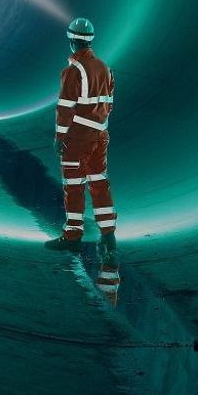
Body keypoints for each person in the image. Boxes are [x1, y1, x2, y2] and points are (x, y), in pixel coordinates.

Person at [45, 16, 117, 253]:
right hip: (100, 136)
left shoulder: (73, 71)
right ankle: (108, 235)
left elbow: (65, 109)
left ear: (71, 41)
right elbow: (109, 104)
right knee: (99, 182)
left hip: (77, 139)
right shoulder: (105, 69)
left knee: (74, 186)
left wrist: (59, 138)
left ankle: (73, 236)